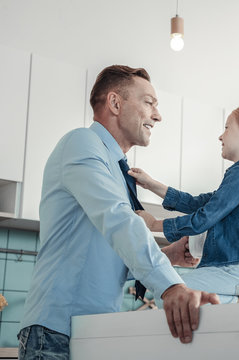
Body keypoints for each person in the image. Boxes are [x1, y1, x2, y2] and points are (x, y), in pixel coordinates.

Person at [18, 65, 219, 360]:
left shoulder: (116, 167)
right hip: (56, 332)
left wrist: (168, 256)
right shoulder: (82, 144)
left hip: (91, 332)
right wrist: (171, 286)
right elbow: (119, 220)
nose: (158, 115)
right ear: (115, 103)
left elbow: (106, 260)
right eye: (149, 102)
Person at [130, 104, 239, 304]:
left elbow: (205, 217)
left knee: (170, 296)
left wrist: (154, 224)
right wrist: (153, 185)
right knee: (175, 296)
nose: (221, 136)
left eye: (227, 128)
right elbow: (199, 203)